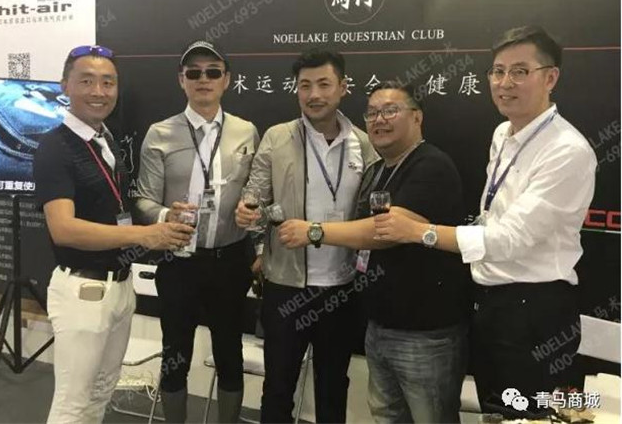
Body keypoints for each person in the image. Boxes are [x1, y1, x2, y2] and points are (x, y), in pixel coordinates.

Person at [372, 26, 597, 415]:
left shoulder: (567, 150)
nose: (505, 83)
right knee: (495, 414)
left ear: (550, 77)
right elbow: (493, 215)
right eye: (497, 71)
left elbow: (509, 239)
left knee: (530, 417)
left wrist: (420, 232)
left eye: (520, 71)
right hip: (489, 304)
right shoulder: (502, 134)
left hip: (535, 311)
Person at [278, 81, 472, 423]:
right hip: (379, 326)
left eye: (390, 111)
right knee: (386, 416)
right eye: (372, 113)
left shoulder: (431, 166)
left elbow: (384, 233)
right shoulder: (378, 169)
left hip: (425, 334)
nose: (379, 120)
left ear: (416, 117)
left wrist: (314, 231)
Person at [33, 45, 193, 423]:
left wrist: (165, 216)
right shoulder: (55, 147)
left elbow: (117, 207)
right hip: (82, 291)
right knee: (73, 404)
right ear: (65, 85)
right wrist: (143, 236)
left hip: (120, 288)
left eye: (108, 82)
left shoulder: (105, 140)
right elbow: (63, 229)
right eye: (86, 81)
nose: (99, 91)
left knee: (101, 393)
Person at [235, 48, 379, 423]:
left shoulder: (363, 144)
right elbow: (255, 199)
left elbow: (372, 215)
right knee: (278, 387)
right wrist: (249, 213)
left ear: (343, 87)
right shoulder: (277, 137)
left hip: (342, 287)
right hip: (286, 286)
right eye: (305, 86)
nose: (314, 94)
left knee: (333, 387)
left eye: (324, 84)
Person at [135, 40, 260, 423]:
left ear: (227, 80)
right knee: (176, 355)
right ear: (181, 80)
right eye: (194, 72)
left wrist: (252, 212)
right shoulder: (159, 133)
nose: (203, 79)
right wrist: (165, 215)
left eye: (212, 72)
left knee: (229, 355)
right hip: (179, 262)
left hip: (230, 261)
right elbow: (143, 199)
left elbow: (256, 191)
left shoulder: (246, 131)